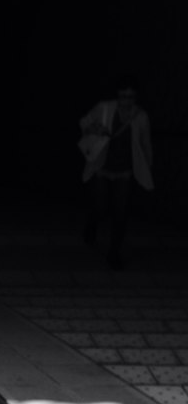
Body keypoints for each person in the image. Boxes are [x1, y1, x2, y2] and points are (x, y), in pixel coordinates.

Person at [79, 85, 154, 270]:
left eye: (130, 96)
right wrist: (94, 127)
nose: (126, 100)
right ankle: (92, 224)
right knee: (101, 206)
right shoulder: (105, 108)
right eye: (123, 96)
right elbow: (84, 122)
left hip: (124, 171)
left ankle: (114, 253)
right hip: (103, 167)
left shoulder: (140, 117)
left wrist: (147, 167)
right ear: (117, 97)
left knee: (120, 213)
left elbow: (145, 143)